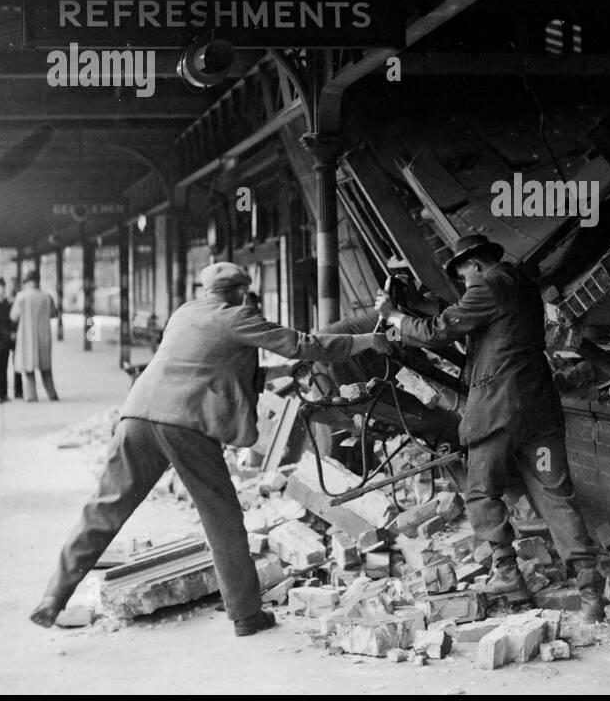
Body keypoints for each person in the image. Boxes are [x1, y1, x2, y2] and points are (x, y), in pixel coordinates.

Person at [29, 262, 395, 636]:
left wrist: (282, 374)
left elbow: (208, 365)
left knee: (104, 509)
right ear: (240, 292)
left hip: (137, 416)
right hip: (185, 424)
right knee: (222, 519)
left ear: (205, 290)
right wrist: (369, 340)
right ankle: (246, 615)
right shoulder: (238, 316)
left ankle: (52, 598)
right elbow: (306, 345)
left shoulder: (184, 314)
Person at [375, 234, 606, 622]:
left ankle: (509, 576)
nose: (466, 285)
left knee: (481, 491)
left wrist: (396, 316)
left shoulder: (487, 283)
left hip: (499, 411)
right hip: (539, 410)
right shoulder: (520, 287)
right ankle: (591, 593)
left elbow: (440, 330)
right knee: (555, 493)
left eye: (464, 278)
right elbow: (472, 320)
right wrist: (419, 306)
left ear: (476, 266)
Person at [10, 270, 59, 402]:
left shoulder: (21, 297)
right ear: (38, 282)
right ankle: (52, 395)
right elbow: (54, 314)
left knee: (28, 369)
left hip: (27, 339)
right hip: (44, 337)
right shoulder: (47, 297)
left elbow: (13, 317)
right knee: (46, 369)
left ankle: (31, 396)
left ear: (26, 283)